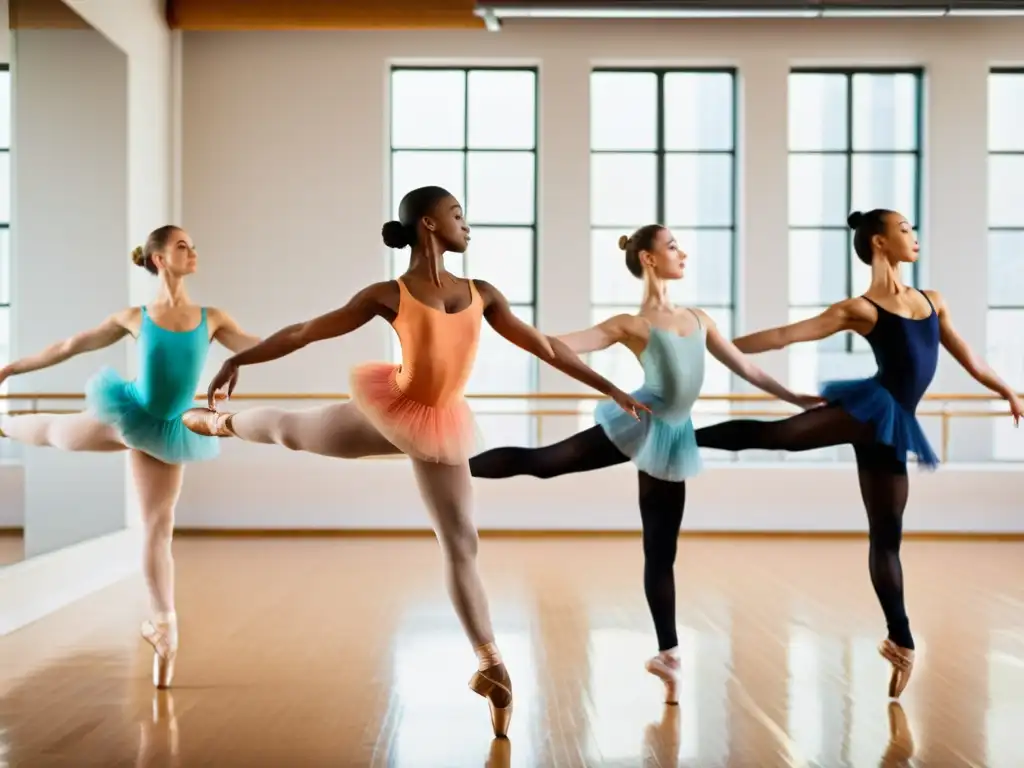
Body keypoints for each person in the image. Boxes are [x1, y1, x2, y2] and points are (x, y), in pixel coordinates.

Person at [180, 185, 648, 738]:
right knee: (295, 431)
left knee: (462, 541)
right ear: (428, 224)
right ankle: (222, 423)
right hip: (390, 409)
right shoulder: (388, 293)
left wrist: (612, 387)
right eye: (457, 215)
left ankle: (490, 665)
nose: (466, 225)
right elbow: (307, 330)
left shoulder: (483, 293)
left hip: (439, 422)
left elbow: (547, 347)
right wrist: (239, 356)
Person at [469, 224, 822, 703]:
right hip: (636, 421)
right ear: (650, 259)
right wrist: (502, 326)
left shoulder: (700, 319)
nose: (683, 253)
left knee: (660, 551)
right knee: (545, 462)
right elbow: (559, 343)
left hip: (672, 439)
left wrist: (792, 396)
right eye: (673, 245)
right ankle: (452, 462)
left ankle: (668, 655)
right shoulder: (630, 325)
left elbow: (747, 367)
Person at [693, 209, 1022, 698]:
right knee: (779, 435)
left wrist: (1007, 391)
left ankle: (901, 639)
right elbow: (786, 335)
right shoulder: (861, 309)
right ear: (878, 243)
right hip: (869, 410)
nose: (914, 236)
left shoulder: (934, 302)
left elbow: (968, 357)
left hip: (892, 427)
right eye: (904, 230)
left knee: (887, 538)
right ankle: (680, 435)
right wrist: (711, 345)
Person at [0, 225, 260, 690]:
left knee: (159, 528)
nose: (193, 252)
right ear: (160, 258)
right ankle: (3, 422)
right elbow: (67, 347)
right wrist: (10, 367)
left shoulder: (212, 317)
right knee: (59, 433)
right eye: (183, 246)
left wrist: (238, 360)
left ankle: (164, 627)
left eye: (194, 245)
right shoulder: (136, 317)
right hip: (130, 411)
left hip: (167, 430)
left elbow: (259, 347)